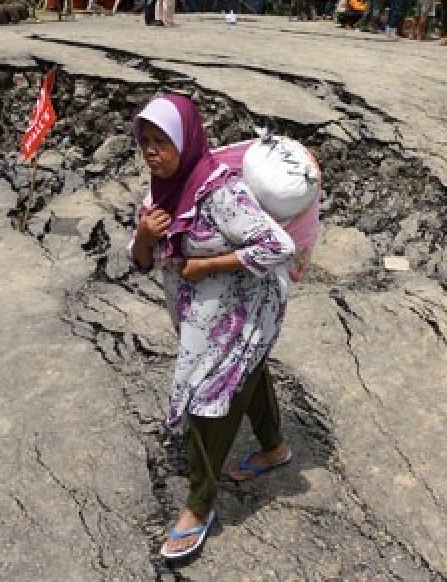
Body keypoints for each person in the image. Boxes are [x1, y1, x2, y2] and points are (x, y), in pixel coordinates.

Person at [130, 94, 297, 564]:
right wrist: (145, 236)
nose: (152, 152)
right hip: (199, 320)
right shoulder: (156, 196)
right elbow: (142, 262)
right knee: (248, 378)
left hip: (245, 311)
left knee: (209, 403)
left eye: (162, 141)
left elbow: (277, 246)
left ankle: (197, 508)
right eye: (145, 142)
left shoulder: (220, 193)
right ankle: (275, 448)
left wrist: (210, 265)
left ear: (186, 140)